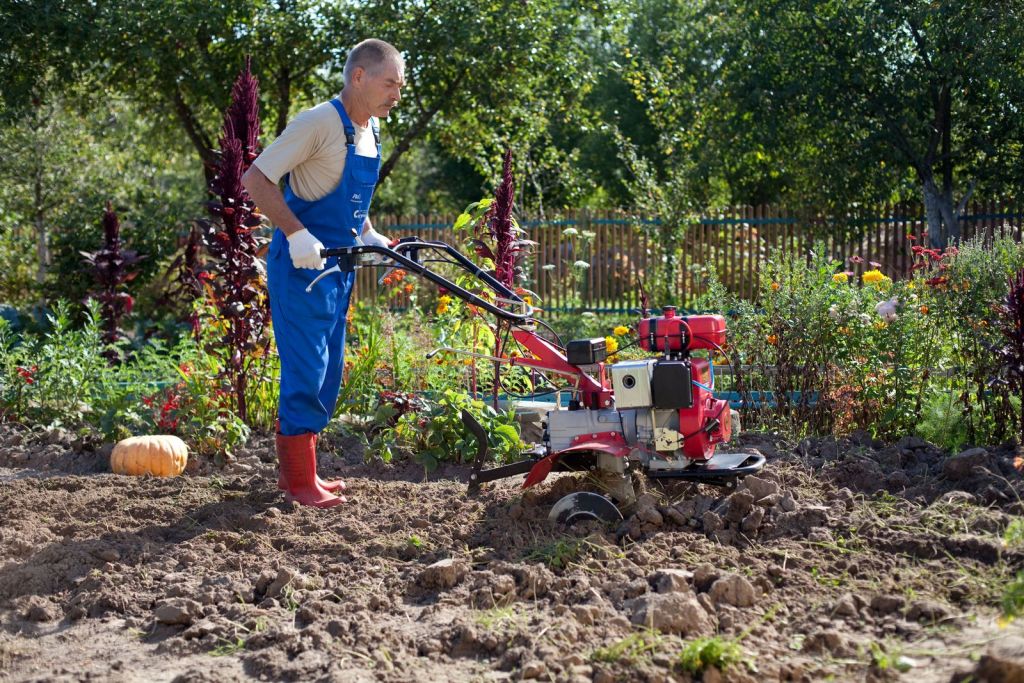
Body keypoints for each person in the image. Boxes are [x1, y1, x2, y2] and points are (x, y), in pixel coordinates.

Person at [242, 39, 404, 508]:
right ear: (359, 77)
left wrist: (369, 234)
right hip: (301, 269)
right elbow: (256, 179)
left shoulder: (371, 128)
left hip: (338, 269)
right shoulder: (317, 122)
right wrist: (294, 233)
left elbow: (353, 199)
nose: (397, 93)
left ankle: (305, 474)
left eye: (400, 85)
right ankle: (297, 483)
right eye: (390, 82)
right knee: (306, 370)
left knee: (329, 371)